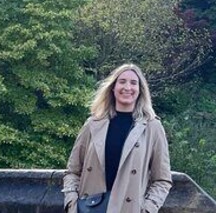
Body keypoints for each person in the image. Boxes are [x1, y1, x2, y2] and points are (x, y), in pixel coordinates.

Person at [63, 63, 172, 213]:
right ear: (113, 87)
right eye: (122, 81)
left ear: (140, 90)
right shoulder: (92, 124)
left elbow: (162, 179)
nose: (127, 87)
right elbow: (73, 171)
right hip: (89, 208)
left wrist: (148, 209)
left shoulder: (152, 127)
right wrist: (72, 204)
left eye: (134, 83)